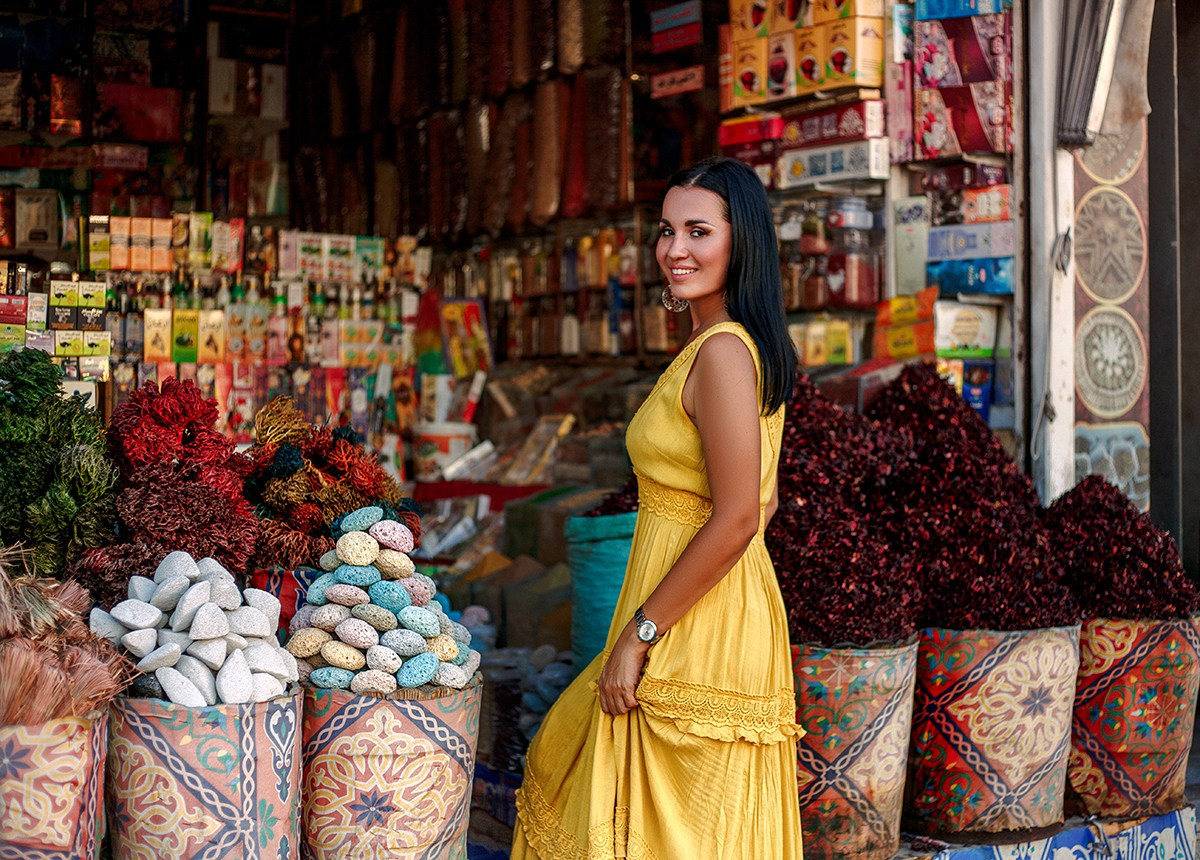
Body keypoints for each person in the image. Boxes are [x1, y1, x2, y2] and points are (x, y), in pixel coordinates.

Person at [512, 157, 804, 859]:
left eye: (699, 231)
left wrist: (643, 633)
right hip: (698, 603)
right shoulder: (716, 346)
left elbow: (741, 515)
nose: (675, 249)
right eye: (667, 231)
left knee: (668, 829)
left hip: (692, 623)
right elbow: (762, 503)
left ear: (742, 242)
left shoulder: (725, 352)